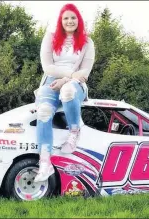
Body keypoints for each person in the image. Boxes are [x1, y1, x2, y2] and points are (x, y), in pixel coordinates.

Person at [33, 3, 95, 182]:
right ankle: (45, 163)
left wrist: (67, 80)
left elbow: (84, 73)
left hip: (75, 83)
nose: (70, 21)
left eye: (73, 17)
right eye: (66, 18)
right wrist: (65, 76)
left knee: (67, 91)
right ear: (61, 21)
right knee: (44, 111)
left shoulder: (87, 42)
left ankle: (74, 131)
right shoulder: (50, 37)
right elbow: (47, 67)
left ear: (79, 20)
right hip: (51, 82)